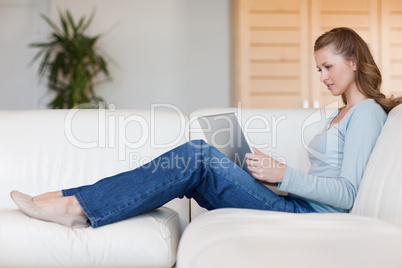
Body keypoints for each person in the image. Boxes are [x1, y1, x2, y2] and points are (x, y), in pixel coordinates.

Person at [10, 27, 401, 228]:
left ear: (353, 60)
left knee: (197, 153)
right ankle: (71, 198)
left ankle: (76, 205)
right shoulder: (341, 113)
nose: (323, 77)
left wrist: (285, 175)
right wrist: (270, 177)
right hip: (293, 202)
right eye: (318, 69)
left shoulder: (366, 112)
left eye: (328, 66)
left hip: (308, 216)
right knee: (198, 163)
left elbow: (347, 195)